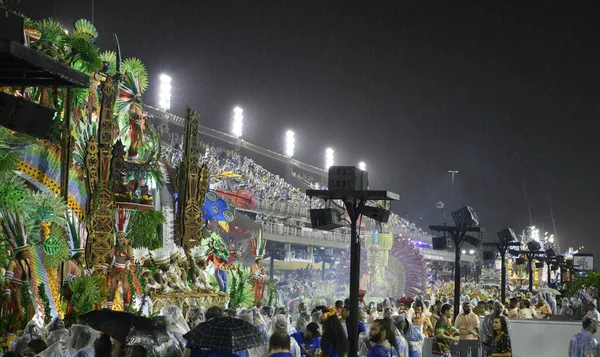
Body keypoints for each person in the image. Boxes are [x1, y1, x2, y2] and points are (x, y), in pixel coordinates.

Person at [104, 209, 134, 309]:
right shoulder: (114, 247)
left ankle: (126, 309)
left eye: (122, 237)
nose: (120, 239)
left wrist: (129, 262)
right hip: (116, 270)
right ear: (117, 238)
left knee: (126, 289)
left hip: (125, 270)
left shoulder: (128, 248)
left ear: (125, 238)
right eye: (119, 237)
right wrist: (106, 266)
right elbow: (109, 257)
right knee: (112, 288)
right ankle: (109, 309)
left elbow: (131, 258)